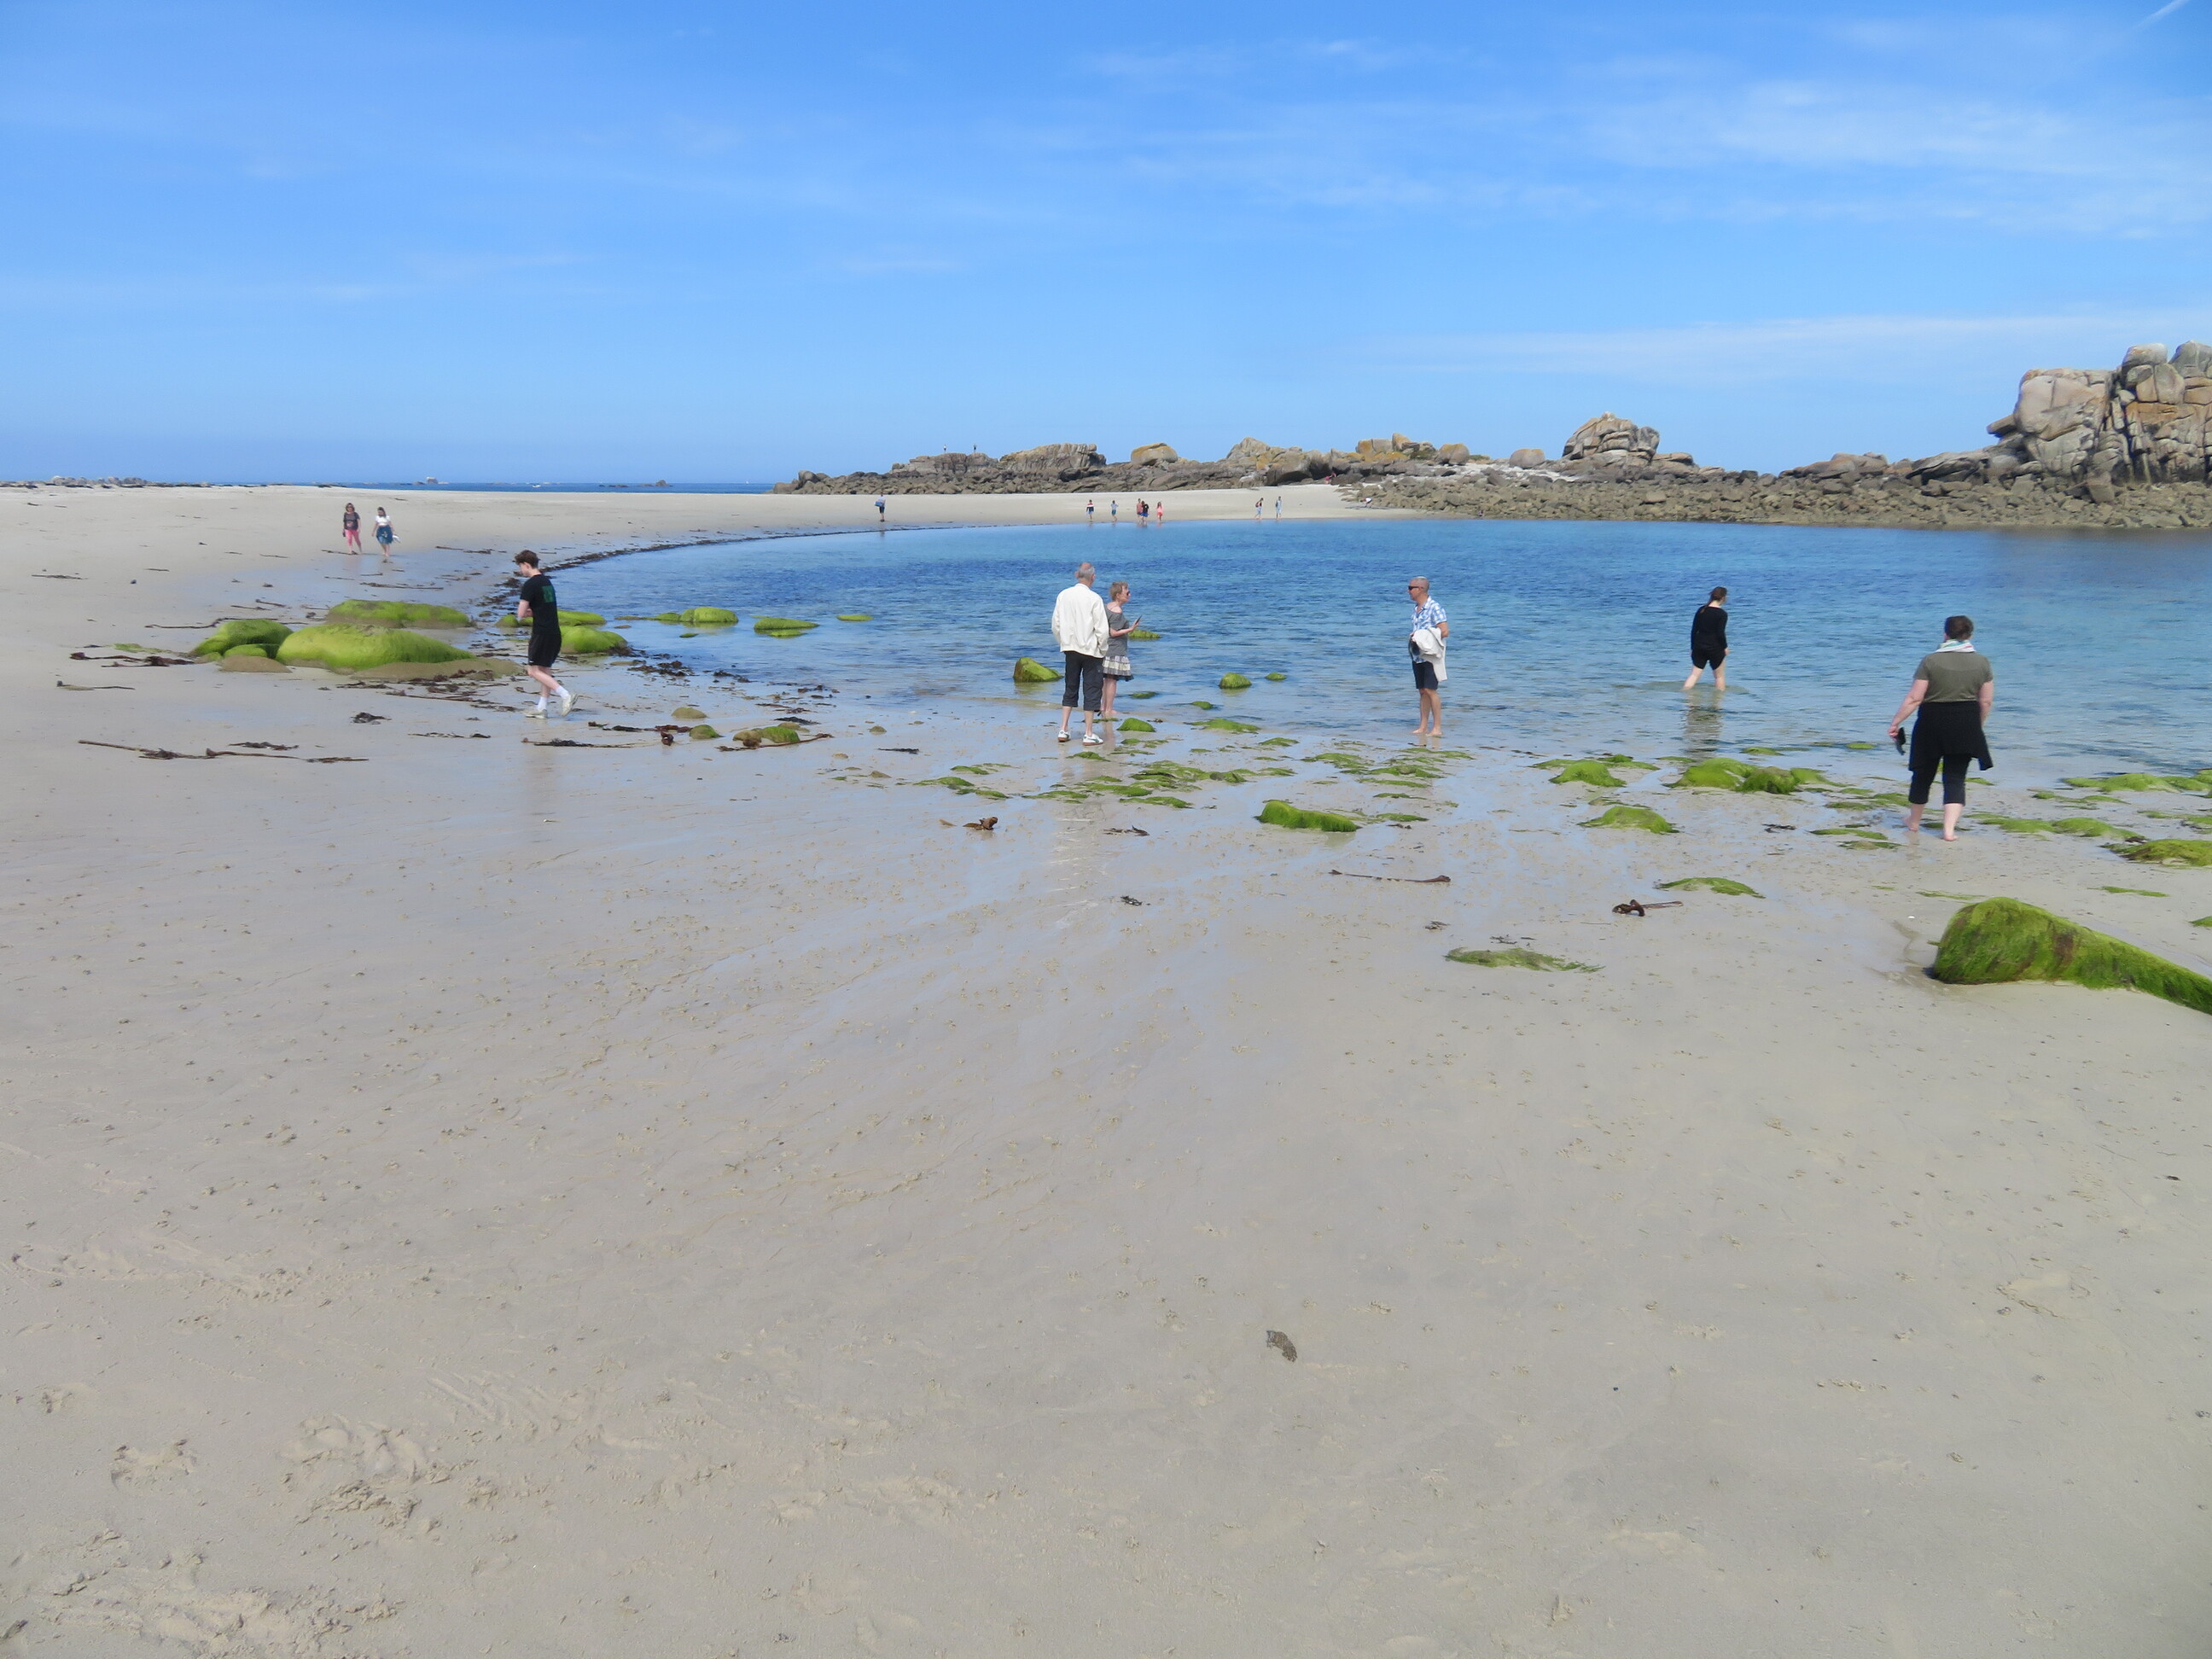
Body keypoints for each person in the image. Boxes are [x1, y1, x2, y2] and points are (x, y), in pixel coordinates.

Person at [1887, 614, 1994, 841]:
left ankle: (1914, 822)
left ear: (1945, 634)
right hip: (1966, 722)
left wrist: (1896, 722)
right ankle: (1948, 831)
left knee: (1923, 773)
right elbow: (1985, 701)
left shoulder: (1931, 661)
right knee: (1956, 777)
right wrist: (1978, 726)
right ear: (1970, 635)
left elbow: (1915, 698)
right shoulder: (1982, 662)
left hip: (1932, 721)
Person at [1051, 561, 1109, 744]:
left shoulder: (1063, 595)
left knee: (1070, 686)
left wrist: (1063, 642)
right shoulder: (1094, 598)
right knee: (1092, 688)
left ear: (1077, 575)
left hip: (1070, 648)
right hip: (1091, 649)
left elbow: (1056, 624)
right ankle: (1088, 732)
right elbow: (1102, 629)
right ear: (1093, 577)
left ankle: (1063, 728)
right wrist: (1103, 648)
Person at [512, 550, 574, 719]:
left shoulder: (530, 584)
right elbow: (544, 608)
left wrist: (524, 613)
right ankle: (542, 708)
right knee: (545, 670)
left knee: (533, 671)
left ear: (526, 565)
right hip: (554, 632)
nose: (520, 570)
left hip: (541, 633)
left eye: (520, 567)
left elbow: (520, 614)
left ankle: (565, 695)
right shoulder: (546, 582)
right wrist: (533, 612)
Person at [1406, 576, 1449, 737]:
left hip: (1430, 655)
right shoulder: (1417, 608)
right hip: (1418, 654)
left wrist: (1423, 636)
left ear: (1420, 589)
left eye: (1411, 588)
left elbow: (1444, 631)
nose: (1408, 591)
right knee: (1422, 690)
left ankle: (1437, 728)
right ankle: (1423, 726)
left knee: (1431, 690)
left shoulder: (1434, 607)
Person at [1101, 580, 1136, 721]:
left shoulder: (1106, 607)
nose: (1129, 595)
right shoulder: (1117, 611)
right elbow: (1114, 632)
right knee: (1112, 680)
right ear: (1118, 595)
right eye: (1127, 592)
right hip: (1115, 649)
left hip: (1105, 648)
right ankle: (1109, 709)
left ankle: (1104, 707)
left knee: (1107, 679)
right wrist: (1131, 629)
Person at [1684, 585, 1729, 690]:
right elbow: (1720, 633)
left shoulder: (1701, 610)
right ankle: (1718, 700)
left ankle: (1685, 695)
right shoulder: (1722, 614)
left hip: (1699, 646)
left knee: (1694, 675)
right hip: (1715, 648)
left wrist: (1692, 647)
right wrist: (1725, 647)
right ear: (1723, 598)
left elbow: (1694, 630)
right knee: (1719, 677)